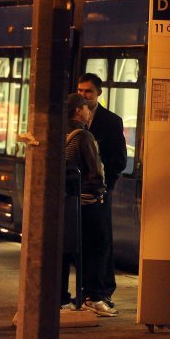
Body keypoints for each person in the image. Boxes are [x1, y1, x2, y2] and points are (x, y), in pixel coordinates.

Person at [62, 93, 117, 317]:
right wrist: (99, 192)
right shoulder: (84, 137)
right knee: (97, 248)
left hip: (69, 205)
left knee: (73, 251)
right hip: (89, 203)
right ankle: (93, 297)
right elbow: (96, 172)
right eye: (86, 109)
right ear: (78, 111)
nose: (88, 113)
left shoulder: (60, 133)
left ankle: (66, 297)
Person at [77, 73, 127, 309]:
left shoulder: (111, 121)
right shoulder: (70, 120)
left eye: (88, 91)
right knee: (81, 242)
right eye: (80, 90)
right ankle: (89, 291)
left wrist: (106, 186)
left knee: (101, 240)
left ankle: (101, 290)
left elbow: (119, 159)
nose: (83, 95)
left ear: (99, 93)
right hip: (76, 193)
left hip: (99, 193)